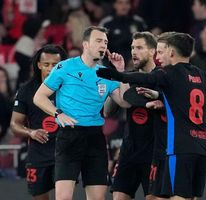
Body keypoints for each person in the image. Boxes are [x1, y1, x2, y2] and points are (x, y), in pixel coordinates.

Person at [96, 32, 206, 199]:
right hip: (202, 146)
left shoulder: (168, 73)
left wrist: (116, 74)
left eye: (163, 51)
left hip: (179, 147)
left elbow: (144, 78)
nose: (159, 56)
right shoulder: (204, 76)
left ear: (172, 52)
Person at [33, 26, 130, 200]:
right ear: (86, 44)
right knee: (63, 197)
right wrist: (57, 113)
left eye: (105, 42)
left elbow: (125, 102)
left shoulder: (108, 74)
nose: (103, 45)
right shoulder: (65, 67)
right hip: (69, 136)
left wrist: (121, 72)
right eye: (98, 41)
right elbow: (39, 97)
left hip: (95, 138)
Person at [108, 31, 164, 200]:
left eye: (139, 47)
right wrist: (118, 75)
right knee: (118, 197)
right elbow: (109, 111)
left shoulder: (163, 77)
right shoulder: (128, 77)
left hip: (155, 152)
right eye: (132, 47)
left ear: (152, 51)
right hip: (129, 151)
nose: (134, 51)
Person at [10, 44, 68, 200]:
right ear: (39, 65)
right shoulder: (26, 90)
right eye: (46, 64)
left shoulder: (70, 88)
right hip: (38, 155)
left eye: (55, 65)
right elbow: (15, 124)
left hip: (64, 153)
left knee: (63, 196)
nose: (50, 69)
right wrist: (31, 132)